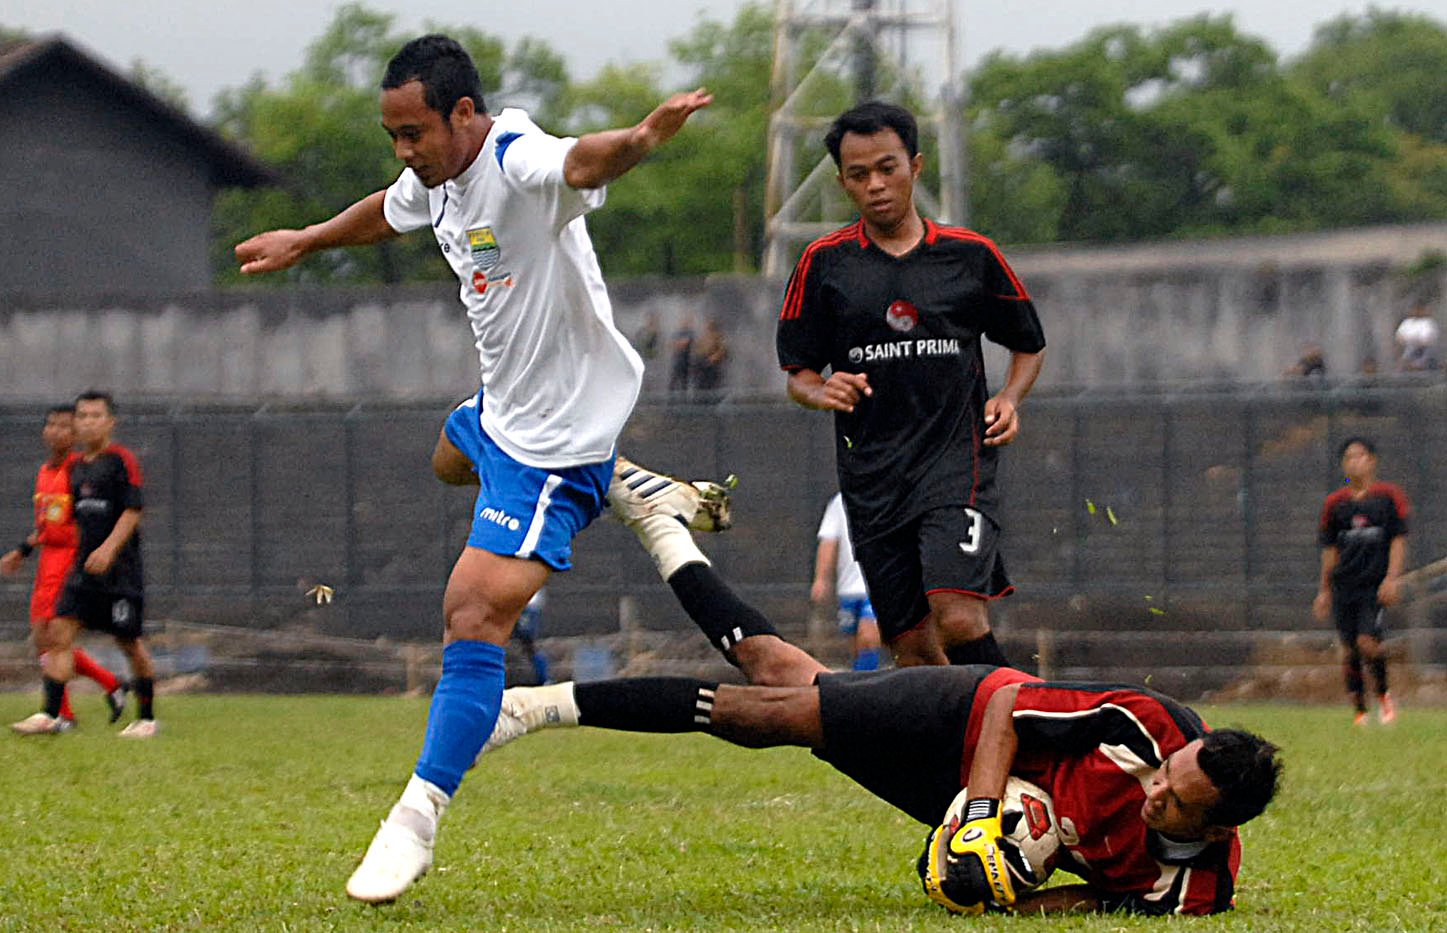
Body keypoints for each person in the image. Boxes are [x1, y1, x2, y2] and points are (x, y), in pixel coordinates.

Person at [233, 34, 713, 903]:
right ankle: (623, 484)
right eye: (392, 135)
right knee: (446, 459)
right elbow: (390, 206)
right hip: (495, 417)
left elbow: (581, 161)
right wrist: (307, 239)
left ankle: (413, 819)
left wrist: (642, 138)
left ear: (463, 114)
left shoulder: (515, 157)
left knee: (470, 613)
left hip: (553, 443)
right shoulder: (435, 180)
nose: (403, 151)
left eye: (412, 132)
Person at [484, 497, 1281, 917]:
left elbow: (1109, 899)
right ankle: (532, 706)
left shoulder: (1196, 893)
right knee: (764, 715)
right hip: (966, 716)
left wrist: (1017, 898)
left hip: (976, 793)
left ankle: (663, 529)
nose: (1153, 789)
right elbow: (1009, 699)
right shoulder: (1148, 724)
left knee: (774, 667)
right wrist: (979, 813)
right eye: (1163, 777)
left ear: (1217, 829)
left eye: (1173, 801)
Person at [776, 101, 1046, 670]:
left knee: (958, 617)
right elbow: (797, 372)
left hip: (956, 462)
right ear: (842, 181)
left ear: (915, 166)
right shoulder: (823, 264)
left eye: (887, 167)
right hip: (873, 478)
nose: (875, 184)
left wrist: (1009, 397)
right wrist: (820, 389)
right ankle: (960, 753)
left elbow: (1028, 344)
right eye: (858, 174)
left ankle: (1027, 737)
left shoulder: (970, 256)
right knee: (913, 650)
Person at [17, 392, 155, 738]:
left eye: (96, 415)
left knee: (129, 644)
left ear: (110, 422)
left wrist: (108, 549)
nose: (89, 421)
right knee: (58, 635)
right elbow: (73, 517)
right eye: (83, 416)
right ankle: (50, 714)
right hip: (82, 570)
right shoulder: (75, 468)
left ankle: (147, 718)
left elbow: (132, 510)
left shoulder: (122, 460)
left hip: (120, 571)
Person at [1313, 437, 1408, 726]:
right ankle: (1359, 711)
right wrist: (1324, 590)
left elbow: (1398, 540)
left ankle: (1383, 694)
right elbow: (1329, 550)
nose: (1355, 461)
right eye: (1349, 457)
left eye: (1360, 455)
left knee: (1368, 642)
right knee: (1349, 648)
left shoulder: (1388, 497)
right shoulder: (1335, 504)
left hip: (1373, 586)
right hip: (1344, 585)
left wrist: (1392, 578)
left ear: (1372, 460)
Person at [811, 492, 882, 671]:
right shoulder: (840, 502)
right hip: (848, 588)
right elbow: (828, 541)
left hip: (876, 584)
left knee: (869, 638)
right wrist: (821, 579)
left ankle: (865, 688)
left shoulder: (888, 496)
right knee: (855, 644)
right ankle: (863, 680)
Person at [1394, 302, 1439, 372]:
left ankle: (1417, 364)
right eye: (1415, 309)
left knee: (1417, 349)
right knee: (1409, 348)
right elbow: (1400, 336)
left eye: (1419, 310)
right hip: (1408, 346)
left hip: (1423, 348)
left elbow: (1428, 339)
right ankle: (1405, 365)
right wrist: (1412, 340)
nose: (1416, 311)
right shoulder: (1407, 322)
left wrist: (1415, 341)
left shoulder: (1428, 322)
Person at [692, 317, 729, 399]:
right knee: (701, 390)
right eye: (707, 325)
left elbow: (723, 351)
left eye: (710, 325)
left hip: (714, 368)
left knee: (714, 389)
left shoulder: (719, 337)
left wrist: (715, 357)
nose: (707, 327)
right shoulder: (702, 338)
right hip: (702, 368)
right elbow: (697, 351)